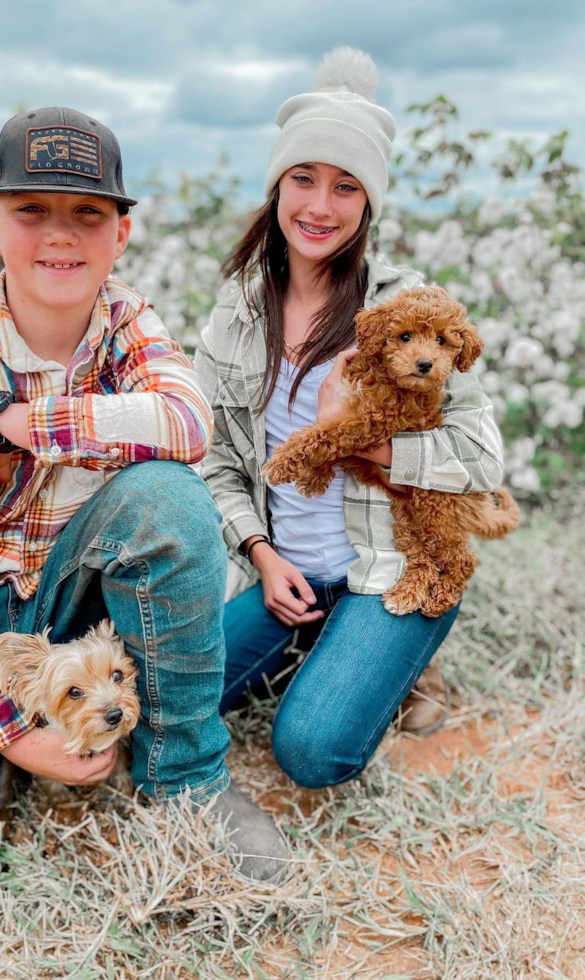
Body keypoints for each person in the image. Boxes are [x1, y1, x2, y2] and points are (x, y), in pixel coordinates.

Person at [0, 106, 289, 917]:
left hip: (81, 589)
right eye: (32, 210)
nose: (61, 235)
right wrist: (9, 730)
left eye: (88, 214)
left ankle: (185, 774)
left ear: (121, 234)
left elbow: (187, 424)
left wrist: (12, 427)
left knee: (169, 497)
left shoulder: (128, 322)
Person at [194, 48, 504, 788]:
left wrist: (365, 443)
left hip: (388, 566)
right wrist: (261, 555)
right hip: (285, 573)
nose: (320, 206)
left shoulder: (405, 309)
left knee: (312, 749)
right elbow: (212, 459)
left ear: (368, 204)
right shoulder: (235, 317)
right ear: (277, 187)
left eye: (346, 186)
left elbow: (483, 456)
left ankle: (400, 652)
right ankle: (322, 643)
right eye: (303, 178)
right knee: (176, 693)